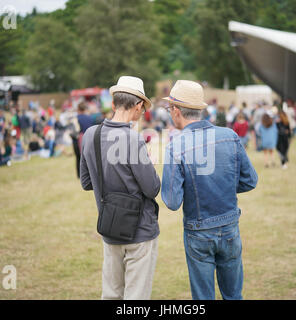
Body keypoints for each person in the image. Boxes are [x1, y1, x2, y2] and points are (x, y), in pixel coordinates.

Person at [161, 80, 258, 300]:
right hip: (230, 225)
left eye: (169, 109)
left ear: (176, 110)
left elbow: (172, 201)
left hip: (199, 231)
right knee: (234, 296)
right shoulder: (230, 136)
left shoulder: (176, 146)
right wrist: (222, 188)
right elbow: (250, 180)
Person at [80, 76, 160, 300]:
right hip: (140, 231)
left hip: (110, 227)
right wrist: (149, 165)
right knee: (135, 298)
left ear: (114, 104)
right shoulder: (133, 140)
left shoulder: (90, 135)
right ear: (138, 106)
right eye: (142, 108)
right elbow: (152, 188)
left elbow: (86, 182)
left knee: (111, 295)